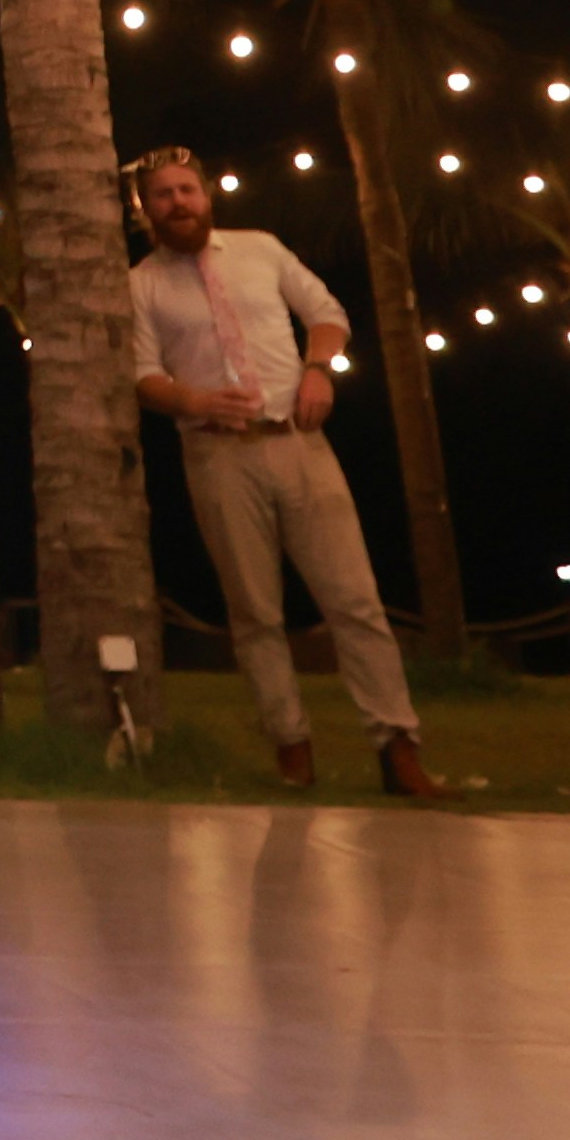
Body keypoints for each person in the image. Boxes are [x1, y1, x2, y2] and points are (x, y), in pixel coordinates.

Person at [124, 151, 439, 799]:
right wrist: (193, 400)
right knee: (255, 612)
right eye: (162, 195)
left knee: (356, 601)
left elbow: (327, 312)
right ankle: (292, 749)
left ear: (208, 194)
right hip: (216, 454)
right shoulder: (142, 284)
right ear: (145, 210)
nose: (178, 202)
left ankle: (397, 747)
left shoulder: (261, 249)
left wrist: (319, 369)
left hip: (298, 443)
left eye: (187, 189)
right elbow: (140, 373)